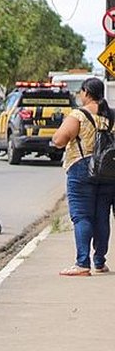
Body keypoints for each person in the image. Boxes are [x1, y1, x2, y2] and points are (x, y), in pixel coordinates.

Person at [52, 77, 115, 276]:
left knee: (82, 217)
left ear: (86, 92)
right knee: (102, 217)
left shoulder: (78, 115)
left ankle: (82, 263)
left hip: (81, 168)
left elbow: (60, 141)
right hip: (108, 171)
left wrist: (56, 136)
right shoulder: (111, 116)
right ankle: (99, 261)